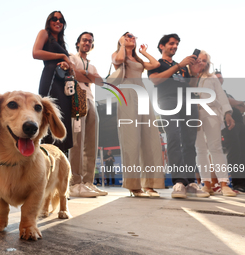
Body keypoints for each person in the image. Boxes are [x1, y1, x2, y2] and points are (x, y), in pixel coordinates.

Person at [148, 34, 209, 198]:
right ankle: (179, 182)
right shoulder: (156, 63)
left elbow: (190, 86)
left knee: (189, 142)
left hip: (188, 103)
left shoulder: (182, 67)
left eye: (176, 44)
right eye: (171, 43)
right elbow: (155, 80)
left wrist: (194, 73)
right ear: (162, 46)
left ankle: (190, 182)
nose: (174, 46)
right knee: (174, 138)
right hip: (168, 102)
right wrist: (179, 66)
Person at [112, 32, 164, 197]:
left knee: (151, 137)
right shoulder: (118, 54)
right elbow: (118, 61)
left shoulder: (139, 60)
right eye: (127, 36)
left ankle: (150, 184)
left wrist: (143, 52)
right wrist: (121, 45)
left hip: (142, 94)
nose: (131, 38)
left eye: (133, 36)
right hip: (127, 93)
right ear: (121, 39)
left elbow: (155, 64)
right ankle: (134, 186)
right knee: (131, 139)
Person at [190, 51, 236, 196]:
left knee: (215, 148)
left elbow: (222, 96)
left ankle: (224, 184)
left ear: (208, 64)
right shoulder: (188, 78)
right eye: (199, 60)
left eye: (204, 61)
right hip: (194, 114)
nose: (201, 63)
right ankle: (206, 184)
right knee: (200, 150)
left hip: (212, 113)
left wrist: (228, 113)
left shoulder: (212, 78)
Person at [68, 32, 107, 197]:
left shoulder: (92, 65)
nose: (87, 43)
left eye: (90, 41)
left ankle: (88, 182)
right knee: (78, 141)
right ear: (78, 43)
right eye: (84, 40)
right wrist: (88, 77)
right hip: (77, 97)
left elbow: (100, 82)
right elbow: (73, 74)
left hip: (91, 99)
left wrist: (86, 75)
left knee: (91, 142)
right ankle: (75, 183)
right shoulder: (72, 57)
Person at [33, 11, 73, 154]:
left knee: (63, 118)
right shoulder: (44, 33)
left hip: (62, 82)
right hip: (50, 78)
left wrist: (66, 64)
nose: (58, 22)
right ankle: (46, 156)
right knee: (50, 114)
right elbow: (35, 53)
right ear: (49, 21)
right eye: (54, 19)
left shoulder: (62, 43)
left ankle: (60, 157)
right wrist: (61, 56)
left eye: (61, 20)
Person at [216, 71, 245, 193]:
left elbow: (241, 108)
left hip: (240, 123)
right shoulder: (217, 92)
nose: (219, 79)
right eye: (216, 77)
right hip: (228, 125)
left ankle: (242, 182)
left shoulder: (227, 93)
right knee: (234, 153)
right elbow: (228, 102)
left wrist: (238, 104)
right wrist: (239, 102)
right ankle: (237, 182)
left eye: (220, 77)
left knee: (242, 153)